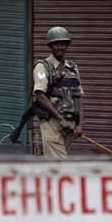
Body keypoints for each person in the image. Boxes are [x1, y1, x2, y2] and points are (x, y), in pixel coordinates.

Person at [33, 27, 84, 158]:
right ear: (50, 46)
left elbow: (78, 97)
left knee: (54, 162)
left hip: (70, 123)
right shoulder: (43, 66)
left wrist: (80, 124)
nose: (60, 47)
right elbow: (40, 96)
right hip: (52, 122)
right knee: (59, 162)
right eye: (56, 43)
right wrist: (60, 118)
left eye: (63, 43)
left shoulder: (72, 68)